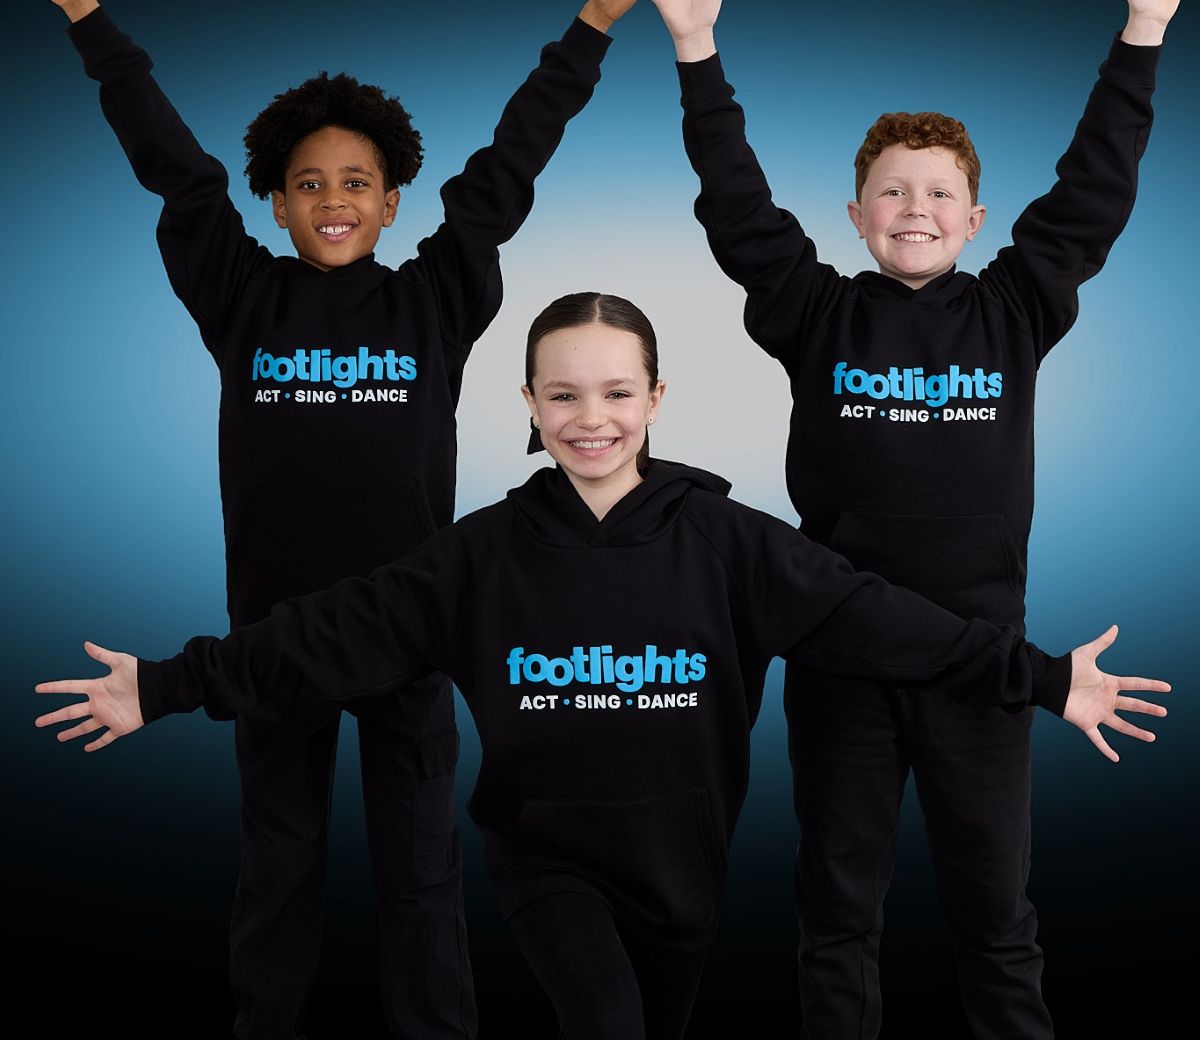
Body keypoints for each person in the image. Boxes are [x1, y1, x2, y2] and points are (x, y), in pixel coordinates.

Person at [36, 291, 1169, 1040]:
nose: (593, 418)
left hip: (686, 874)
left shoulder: (734, 544)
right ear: (528, 407)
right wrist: (168, 684)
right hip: (549, 866)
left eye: (617, 393)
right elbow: (324, 632)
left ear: (656, 400)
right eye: (564, 395)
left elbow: (886, 621)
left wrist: (1046, 675)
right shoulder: (475, 557)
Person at [1, 0, 677, 1040]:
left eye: (355, 183)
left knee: (421, 882)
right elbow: (177, 172)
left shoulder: (434, 296)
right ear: (275, 200)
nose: (331, 200)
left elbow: (505, 174)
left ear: (391, 200)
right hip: (273, 638)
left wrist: (596, 22)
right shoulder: (240, 293)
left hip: (413, 636)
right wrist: (82, 14)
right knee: (279, 870)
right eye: (308, 183)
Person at [630, 0, 1198, 1039]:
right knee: (838, 913)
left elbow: (1091, 198)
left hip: (982, 668)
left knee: (996, 917)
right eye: (892, 192)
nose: (917, 211)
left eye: (940, 194)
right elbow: (739, 215)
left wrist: (1142, 32)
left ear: (976, 219)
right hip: (841, 665)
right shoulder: (817, 311)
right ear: (855, 217)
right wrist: (696, 51)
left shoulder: (1013, 310)